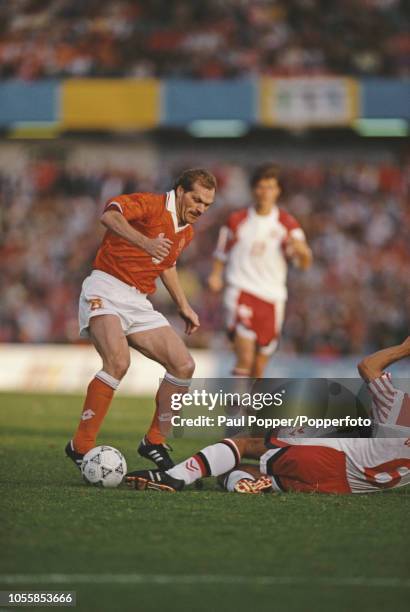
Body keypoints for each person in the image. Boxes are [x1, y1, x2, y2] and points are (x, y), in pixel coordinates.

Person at [65, 168, 216, 472]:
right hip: (106, 287)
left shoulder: (186, 230)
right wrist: (144, 243)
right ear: (180, 191)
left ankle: (154, 442)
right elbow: (109, 215)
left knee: (183, 365)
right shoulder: (150, 204)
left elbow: (167, 264)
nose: (200, 208)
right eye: (197, 199)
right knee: (118, 362)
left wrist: (183, 305)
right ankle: (80, 446)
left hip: (138, 301)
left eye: (207, 204)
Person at [126, 337, 410, 494]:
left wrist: (404, 349)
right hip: (345, 486)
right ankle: (246, 482)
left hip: (330, 459)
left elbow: (368, 366)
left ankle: (173, 477)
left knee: (246, 444)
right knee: (231, 472)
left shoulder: (399, 404)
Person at [208, 164, 312, 378]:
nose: (265, 193)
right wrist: (216, 275)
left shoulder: (287, 224)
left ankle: (249, 409)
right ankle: (236, 410)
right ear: (253, 190)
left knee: (259, 366)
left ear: (278, 191)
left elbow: (304, 263)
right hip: (241, 290)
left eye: (271, 187)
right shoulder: (237, 220)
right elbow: (222, 252)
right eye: (261, 187)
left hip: (272, 298)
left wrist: (302, 252)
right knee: (245, 357)